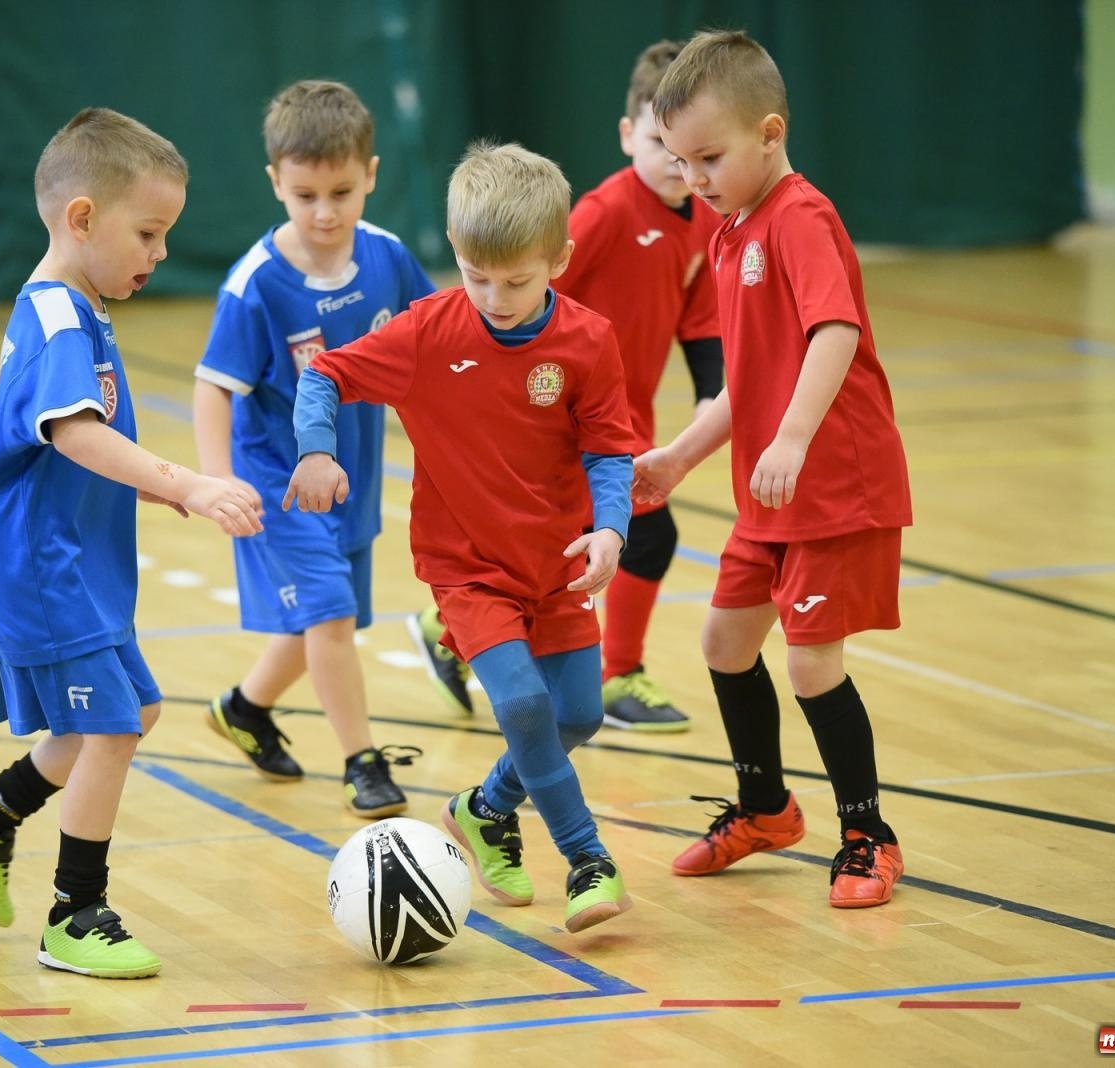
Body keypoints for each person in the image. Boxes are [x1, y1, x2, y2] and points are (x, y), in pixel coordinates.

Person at [0, 108, 264, 980]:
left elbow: (73, 447)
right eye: (147, 233)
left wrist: (153, 490)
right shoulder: (62, 320)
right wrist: (183, 481)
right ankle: (76, 913)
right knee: (112, 724)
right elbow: (76, 433)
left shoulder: (78, 305)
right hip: (35, 561)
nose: (158, 253)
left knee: (134, 711)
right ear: (81, 219)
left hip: (68, 553)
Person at [286, 141, 637, 934]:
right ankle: (588, 859)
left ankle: (484, 808)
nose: (496, 296)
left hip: (558, 563)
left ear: (559, 258)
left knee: (577, 714)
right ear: (457, 255)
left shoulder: (588, 342)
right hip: (468, 569)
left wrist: (610, 529)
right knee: (520, 702)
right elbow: (326, 374)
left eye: (516, 280)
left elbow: (609, 448)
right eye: (477, 276)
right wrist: (316, 445)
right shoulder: (428, 332)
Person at [636, 30, 912, 908]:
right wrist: (679, 456)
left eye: (709, 157)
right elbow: (743, 382)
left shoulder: (800, 218)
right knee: (725, 644)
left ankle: (869, 835)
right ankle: (765, 810)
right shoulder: (728, 234)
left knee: (811, 666)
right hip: (770, 492)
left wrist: (792, 439)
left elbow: (837, 333)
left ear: (770, 131)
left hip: (832, 488)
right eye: (681, 163)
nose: (696, 180)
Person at [408, 41, 722, 733]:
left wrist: (711, 397)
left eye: (693, 148)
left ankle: (448, 628)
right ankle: (616, 674)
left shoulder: (705, 220)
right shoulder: (606, 213)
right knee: (645, 535)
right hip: (558, 414)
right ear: (627, 135)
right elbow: (526, 295)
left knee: (576, 550)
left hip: (618, 412)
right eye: (659, 142)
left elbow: (701, 321)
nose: (677, 161)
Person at [193, 80, 433, 818]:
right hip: (280, 479)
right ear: (275, 183)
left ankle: (243, 708)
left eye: (341, 191)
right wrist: (215, 484)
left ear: (371, 175)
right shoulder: (256, 285)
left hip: (354, 475)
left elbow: (437, 342)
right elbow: (212, 389)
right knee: (329, 615)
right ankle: (361, 762)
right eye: (304, 196)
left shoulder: (390, 259)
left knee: (321, 622)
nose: (324, 212)